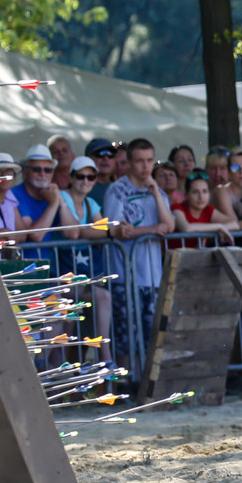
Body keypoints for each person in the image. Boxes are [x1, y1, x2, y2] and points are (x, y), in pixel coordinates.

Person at [102, 138, 176, 369]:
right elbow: (118, 230)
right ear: (130, 162)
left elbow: (169, 226)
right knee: (126, 336)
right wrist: (151, 230)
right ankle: (126, 381)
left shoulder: (157, 191)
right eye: (140, 161)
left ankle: (145, 380)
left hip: (152, 277)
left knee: (152, 334)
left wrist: (156, 194)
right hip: (124, 275)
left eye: (149, 161)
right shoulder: (117, 190)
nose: (145, 166)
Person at [54, 155, 113, 362]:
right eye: (80, 176)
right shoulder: (62, 196)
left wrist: (82, 231)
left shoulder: (91, 203)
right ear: (71, 177)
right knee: (67, 324)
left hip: (82, 276)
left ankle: (105, 358)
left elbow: (103, 231)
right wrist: (87, 231)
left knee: (103, 297)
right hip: (61, 274)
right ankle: (54, 369)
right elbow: (71, 231)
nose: (85, 181)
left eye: (91, 177)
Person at [9, 144, 63, 263]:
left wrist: (62, 202)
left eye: (47, 170)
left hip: (49, 267)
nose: (42, 174)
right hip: (24, 267)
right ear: (25, 172)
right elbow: (35, 235)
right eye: (36, 169)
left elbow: (72, 232)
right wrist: (54, 204)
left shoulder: (52, 193)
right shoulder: (14, 194)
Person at [170, 169, 236, 249]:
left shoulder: (208, 210)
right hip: (174, 256)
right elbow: (186, 228)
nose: (201, 197)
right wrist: (219, 227)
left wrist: (219, 227)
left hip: (196, 255)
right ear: (186, 195)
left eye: (204, 191)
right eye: (195, 192)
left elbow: (234, 224)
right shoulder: (177, 208)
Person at [84, 138, 117, 204]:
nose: (106, 158)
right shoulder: (81, 188)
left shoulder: (119, 189)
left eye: (110, 154)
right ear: (88, 158)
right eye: (100, 154)